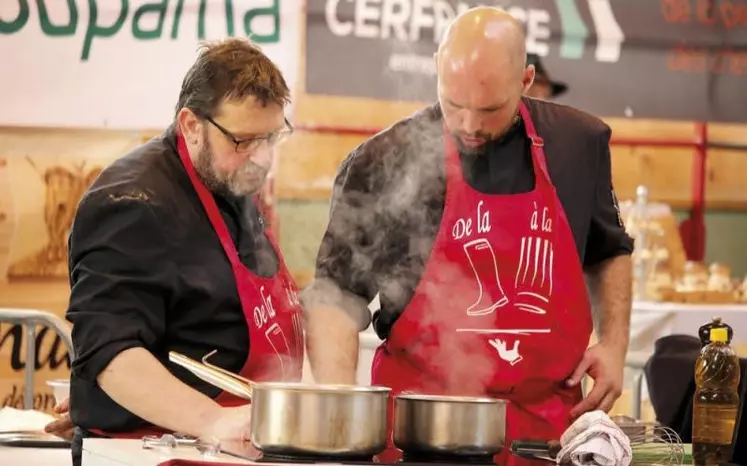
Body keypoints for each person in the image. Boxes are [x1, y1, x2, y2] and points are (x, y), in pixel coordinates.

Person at [302, 6, 633, 464]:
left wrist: (614, 345)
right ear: (438, 66)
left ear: (526, 80)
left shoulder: (578, 144)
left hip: (547, 437)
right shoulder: (383, 161)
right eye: (454, 105)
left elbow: (609, 249)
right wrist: (341, 419)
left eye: (490, 109)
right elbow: (335, 297)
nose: (471, 125)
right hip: (421, 435)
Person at [43, 38, 304, 465]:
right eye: (243, 141)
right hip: (155, 453)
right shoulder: (131, 203)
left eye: (272, 137)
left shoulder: (230, 184)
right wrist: (215, 421)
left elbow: (200, 327)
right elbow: (110, 352)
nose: (262, 158)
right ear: (191, 125)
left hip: (232, 447)